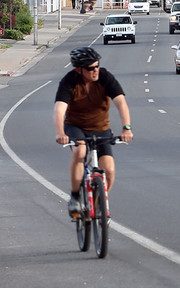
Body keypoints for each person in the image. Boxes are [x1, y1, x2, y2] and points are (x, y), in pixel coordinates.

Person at [54, 46, 133, 216]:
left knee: (109, 171)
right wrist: (61, 133)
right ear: (79, 70)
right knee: (80, 152)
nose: (95, 70)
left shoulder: (105, 77)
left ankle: (99, 202)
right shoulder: (69, 81)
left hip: (101, 128)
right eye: (90, 68)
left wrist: (126, 127)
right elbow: (59, 109)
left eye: (97, 66)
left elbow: (121, 103)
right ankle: (75, 198)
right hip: (76, 127)